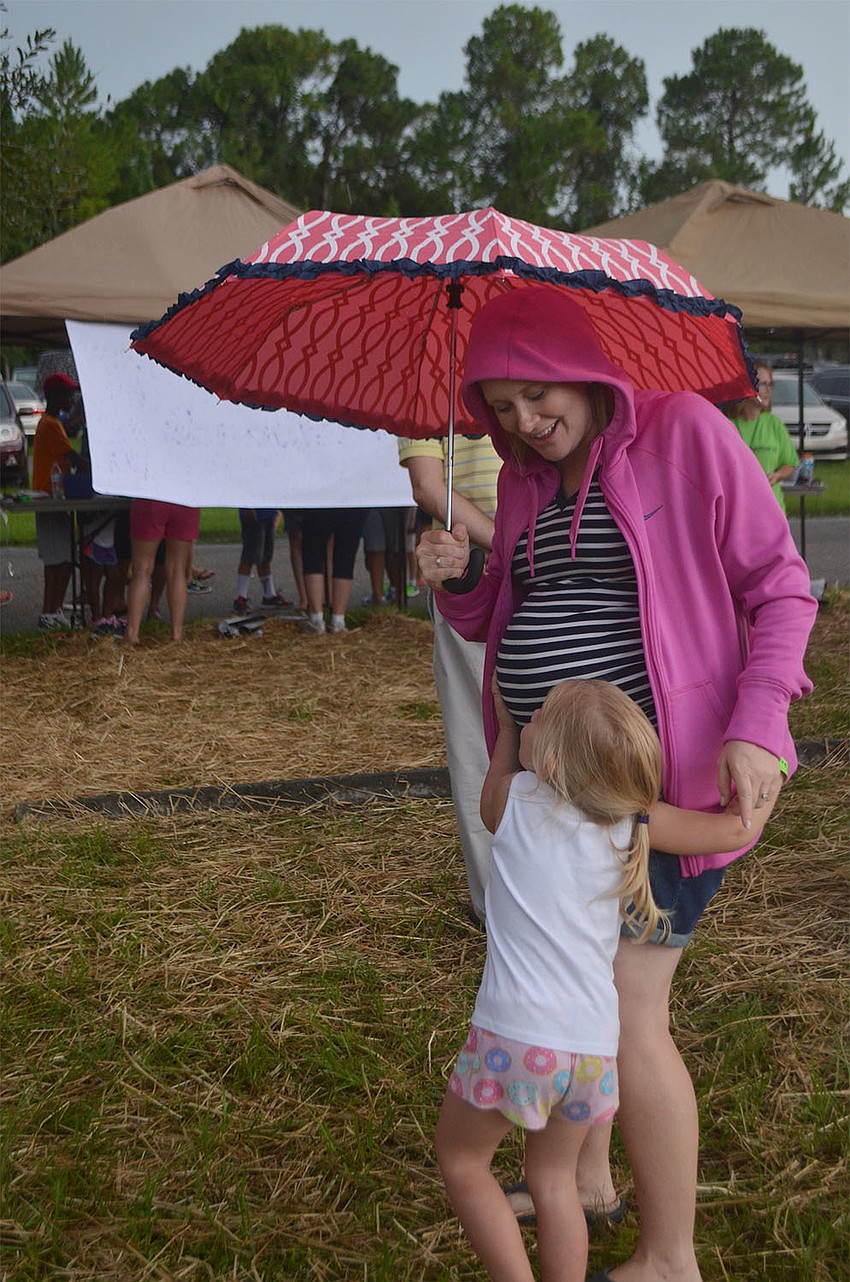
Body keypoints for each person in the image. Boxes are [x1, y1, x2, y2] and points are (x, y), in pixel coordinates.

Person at [419, 287, 817, 1282]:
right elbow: (502, 616)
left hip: (651, 789)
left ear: (585, 370)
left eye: (533, 394)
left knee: (631, 1009)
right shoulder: (521, 478)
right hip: (557, 792)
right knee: (586, 990)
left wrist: (758, 725)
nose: (518, 422)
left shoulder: (683, 432)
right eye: (497, 406)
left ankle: (669, 1257)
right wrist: (460, 575)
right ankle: (586, 1182)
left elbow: (780, 585)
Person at [435, 678, 767, 1282]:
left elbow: (489, 796)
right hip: (591, 1055)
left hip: (514, 1039)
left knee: (461, 1161)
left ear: (553, 759)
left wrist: (509, 732)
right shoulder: (629, 824)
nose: (530, 717)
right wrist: (767, 775)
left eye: (540, 717)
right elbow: (733, 832)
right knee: (556, 1180)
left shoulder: (515, 801)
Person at [398, 432, 502, 926]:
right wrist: (511, 542)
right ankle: (496, 904)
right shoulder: (429, 372)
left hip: (538, 556)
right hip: (473, 567)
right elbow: (427, 485)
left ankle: (520, 901)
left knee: (499, 740)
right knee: (477, 739)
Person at [31, 372, 81, 629]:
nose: (72, 397)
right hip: (50, 498)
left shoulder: (51, 422)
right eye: (68, 392)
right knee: (61, 562)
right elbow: (74, 458)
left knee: (55, 561)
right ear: (54, 396)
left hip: (49, 497)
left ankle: (51, 611)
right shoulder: (51, 425)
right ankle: (51, 611)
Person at [124, 499, 201, 645]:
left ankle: (132, 633)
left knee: (141, 570)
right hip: (185, 500)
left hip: (151, 499)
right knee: (177, 569)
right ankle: (176, 633)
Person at [726, 362, 798, 512]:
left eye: (770, 384)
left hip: (773, 509)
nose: (768, 390)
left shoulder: (774, 424)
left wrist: (776, 475)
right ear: (747, 385)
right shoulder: (727, 425)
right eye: (763, 384)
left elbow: (790, 464)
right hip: (741, 510)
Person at [299, 507, 367, 635]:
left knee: (313, 552)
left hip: (321, 500)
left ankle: (316, 620)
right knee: (346, 555)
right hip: (354, 500)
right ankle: (338, 621)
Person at [233, 507, 289, 612]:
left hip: (269, 513)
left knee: (265, 556)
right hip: (255, 514)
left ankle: (269, 594)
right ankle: (241, 597)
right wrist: (248, 508)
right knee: (249, 556)